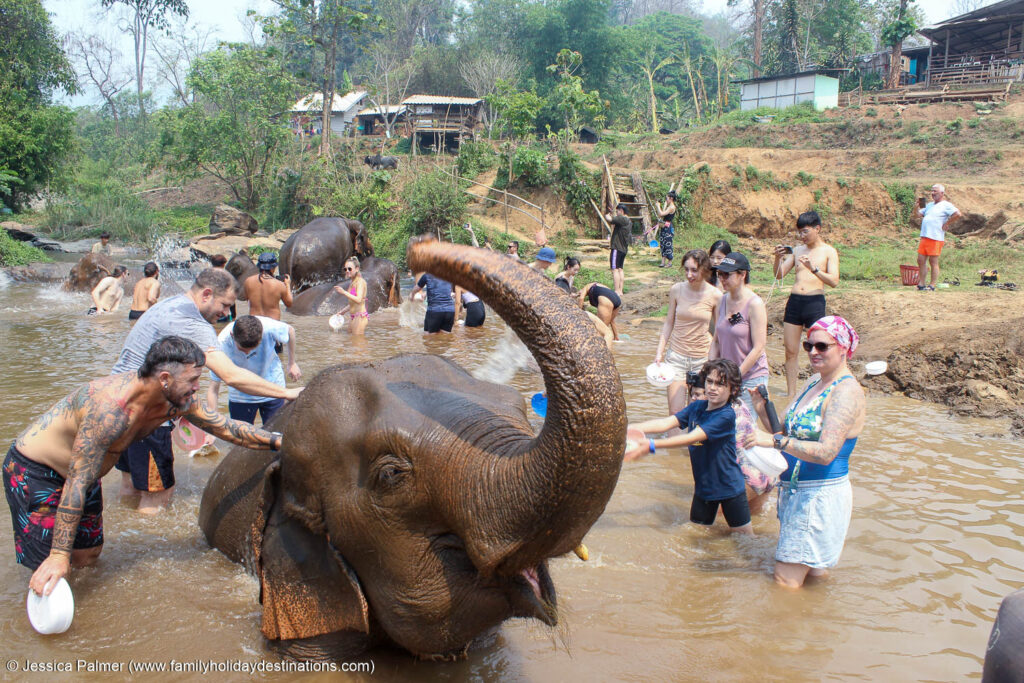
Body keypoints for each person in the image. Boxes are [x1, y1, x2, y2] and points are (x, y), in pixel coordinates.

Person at [5, 336, 283, 597]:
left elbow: (227, 428)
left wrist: (279, 441)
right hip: (36, 472)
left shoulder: (178, 400)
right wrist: (57, 555)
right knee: (49, 565)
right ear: (165, 379)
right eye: (193, 379)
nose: (197, 386)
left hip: (84, 474)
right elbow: (76, 482)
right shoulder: (109, 410)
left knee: (88, 555)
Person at [111, 268, 302, 512]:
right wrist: (287, 393)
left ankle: (127, 528)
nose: (227, 313)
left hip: (118, 406)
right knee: (158, 494)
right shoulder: (193, 323)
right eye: (225, 304)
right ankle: (149, 534)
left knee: (130, 485)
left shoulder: (169, 305)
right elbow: (231, 376)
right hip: (146, 416)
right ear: (206, 294)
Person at [747, 316, 865, 588]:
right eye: (808, 345)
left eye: (822, 346)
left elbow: (826, 452)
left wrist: (773, 442)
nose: (813, 352)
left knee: (784, 582)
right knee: (811, 578)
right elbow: (782, 433)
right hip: (797, 493)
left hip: (818, 497)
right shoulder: (814, 382)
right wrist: (761, 409)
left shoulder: (846, 392)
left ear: (843, 348)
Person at [625, 359, 753, 535]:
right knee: (696, 534)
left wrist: (652, 445)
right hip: (704, 487)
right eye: (709, 381)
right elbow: (666, 423)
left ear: (734, 390)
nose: (712, 388)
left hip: (729, 487)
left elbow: (690, 438)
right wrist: (628, 428)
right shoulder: (697, 407)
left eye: (720, 384)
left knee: (745, 539)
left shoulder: (726, 416)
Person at [772, 211, 840, 398]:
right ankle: (791, 394)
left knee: (818, 350)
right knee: (790, 351)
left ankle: (817, 392)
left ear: (817, 229)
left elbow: (834, 281)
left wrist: (814, 269)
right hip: (795, 302)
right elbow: (779, 275)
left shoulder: (828, 251)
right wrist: (777, 258)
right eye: (800, 232)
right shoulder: (797, 250)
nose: (802, 236)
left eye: (805, 231)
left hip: (814, 302)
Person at [655, 250, 720, 413]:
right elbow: (669, 323)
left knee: (696, 413)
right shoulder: (677, 290)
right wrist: (659, 352)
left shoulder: (716, 295)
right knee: (675, 414)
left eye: (694, 270)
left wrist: (714, 361)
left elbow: (719, 332)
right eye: (686, 269)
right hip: (676, 358)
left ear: (704, 270)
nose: (689, 275)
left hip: (702, 360)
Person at [206, 315, 301, 425]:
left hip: (274, 388)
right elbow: (214, 388)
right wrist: (212, 424)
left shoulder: (269, 327)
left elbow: (290, 331)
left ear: (261, 337)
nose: (247, 353)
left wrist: (292, 363)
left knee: (276, 431)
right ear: (232, 335)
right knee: (241, 434)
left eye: (253, 349)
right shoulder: (221, 344)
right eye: (242, 349)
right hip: (241, 396)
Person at [709, 252, 768, 418]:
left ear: (743, 274)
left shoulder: (755, 304)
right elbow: (716, 341)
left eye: (727, 274)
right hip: (726, 377)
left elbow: (759, 347)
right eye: (720, 274)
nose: (722, 279)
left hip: (751, 377)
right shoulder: (722, 300)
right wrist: (711, 370)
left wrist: (735, 377)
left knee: (744, 426)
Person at [916, 183, 963, 291]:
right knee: (920, 260)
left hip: (935, 237)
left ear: (942, 193)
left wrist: (947, 223)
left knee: (933, 261)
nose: (933, 193)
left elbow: (958, 214)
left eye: (935, 191)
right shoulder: (929, 205)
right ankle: (921, 283)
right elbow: (918, 215)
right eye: (932, 191)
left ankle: (932, 285)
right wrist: (916, 207)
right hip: (925, 236)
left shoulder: (946, 205)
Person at [244, 252, 292, 320]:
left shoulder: (248, 281)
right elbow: (289, 304)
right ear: (272, 268)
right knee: (289, 327)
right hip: (272, 322)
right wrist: (287, 285)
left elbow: (248, 301)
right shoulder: (279, 285)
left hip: (254, 322)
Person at [410, 269, 456, 334]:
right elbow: (444, 289)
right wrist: (426, 293)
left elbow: (417, 288)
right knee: (445, 336)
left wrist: (412, 295)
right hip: (450, 311)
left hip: (435, 310)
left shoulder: (427, 275)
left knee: (429, 336)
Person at [333, 257, 369, 335]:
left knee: (357, 341)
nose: (347, 271)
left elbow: (359, 300)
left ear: (357, 269)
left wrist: (344, 292)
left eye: (350, 269)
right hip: (353, 316)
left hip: (360, 317)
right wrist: (342, 312)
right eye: (345, 269)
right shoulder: (352, 282)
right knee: (351, 339)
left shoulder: (360, 282)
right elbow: (353, 303)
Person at [605, 203, 632, 296]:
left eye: (617, 212)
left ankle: (616, 290)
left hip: (617, 248)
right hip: (623, 249)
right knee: (620, 269)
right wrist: (612, 213)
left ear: (621, 211)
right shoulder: (628, 220)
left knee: (615, 269)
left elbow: (609, 219)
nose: (616, 213)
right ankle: (620, 290)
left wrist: (607, 214)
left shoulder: (622, 218)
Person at [209, 254, 236, 322]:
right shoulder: (226, 277)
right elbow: (231, 297)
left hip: (208, 312)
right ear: (223, 265)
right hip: (221, 313)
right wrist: (233, 315)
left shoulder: (205, 276)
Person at [655, 190, 677, 268]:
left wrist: (658, 206)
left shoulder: (671, 207)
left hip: (668, 227)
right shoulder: (668, 207)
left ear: (671, 198)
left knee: (668, 244)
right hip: (664, 226)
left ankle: (669, 262)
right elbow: (660, 214)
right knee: (663, 243)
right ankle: (663, 262)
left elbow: (661, 214)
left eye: (666, 198)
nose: (666, 200)